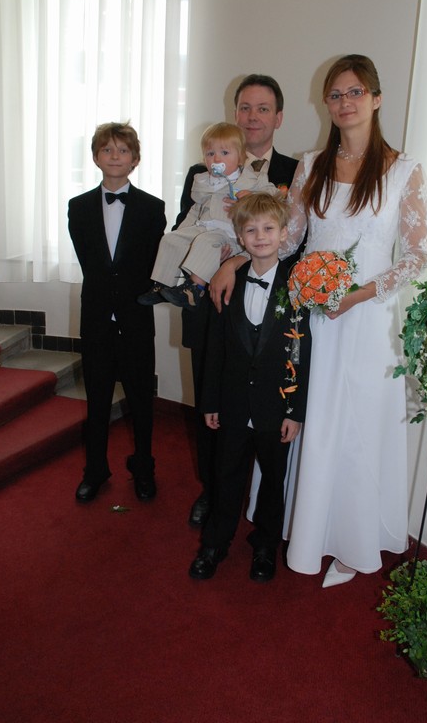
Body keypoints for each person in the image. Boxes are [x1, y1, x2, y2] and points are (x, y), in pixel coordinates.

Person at [278, 54, 427, 587]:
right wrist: (239, 246)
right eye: (336, 94)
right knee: (317, 419)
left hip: (369, 320)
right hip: (318, 319)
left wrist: (359, 295)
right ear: (327, 103)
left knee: (359, 427)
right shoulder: (310, 165)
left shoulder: (405, 169)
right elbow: (290, 240)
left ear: (377, 98)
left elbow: (416, 256)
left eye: (356, 92)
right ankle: (310, 531)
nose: (345, 103)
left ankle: (353, 541)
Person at [180, 76, 299, 529]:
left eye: (263, 108)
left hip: (268, 318)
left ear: (278, 118)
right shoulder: (204, 171)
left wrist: (238, 259)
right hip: (215, 309)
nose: (253, 117)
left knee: (266, 413)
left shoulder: (294, 172)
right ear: (235, 114)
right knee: (212, 403)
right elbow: (187, 227)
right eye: (245, 108)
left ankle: (261, 508)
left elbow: (296, 242)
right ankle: (212, 493)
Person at [188, 192, 311, 582]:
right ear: (240, 237)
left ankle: (265, 547)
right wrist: (210, 401)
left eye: (269, 228)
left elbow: (301, 352)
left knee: (274, 481)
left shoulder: (297, 286)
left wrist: (295, 411)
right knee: (226, 477)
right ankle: (214, 544)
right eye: (251, 230)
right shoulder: (227, 281)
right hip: (234, 403)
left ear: (284, 233)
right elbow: (216, 348)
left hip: (276, 407)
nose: (260, 237)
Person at [68, 122, 166, 503]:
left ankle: (143, 468)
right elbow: (90, 264)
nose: (114, 156)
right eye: (107, 150)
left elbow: (151, 263)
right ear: (95, 157)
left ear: (135, 159)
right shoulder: (78, 207)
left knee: (141, 401)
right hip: (96, 320)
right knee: (96, 401)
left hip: (136, 319)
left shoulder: (153, 208)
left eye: (123, 150)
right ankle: (95, 470)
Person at [137, 122, 276, 310]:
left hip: (230, 234)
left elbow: (274, 196)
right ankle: (163, 284)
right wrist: (183, 231)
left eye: (224, 153)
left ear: (241, 157)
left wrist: (252, 197)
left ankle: (195, 289)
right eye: (210, 154)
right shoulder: (204, 182)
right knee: (171, 239)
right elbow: (195, 210)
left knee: (206, 242)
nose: (216, 158)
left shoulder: (252, 180)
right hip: (204, 227)